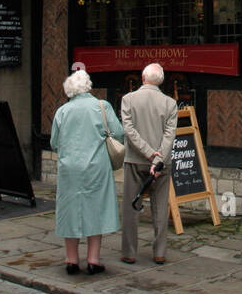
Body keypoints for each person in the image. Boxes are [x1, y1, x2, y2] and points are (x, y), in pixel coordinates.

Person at [51, 68, 123, 275]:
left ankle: (71, 259)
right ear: (88, 86)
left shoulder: (62, 111)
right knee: (96, 210)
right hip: (96, 167)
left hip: (69, 169)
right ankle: (93, 260)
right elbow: (118, 132)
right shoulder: (102, 106)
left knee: (69, 210)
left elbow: (54, 142)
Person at [120, 63, 178, 265]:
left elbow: (129, 130)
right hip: (161, 164)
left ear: (143, 78)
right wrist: (158, 158)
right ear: (160, 81)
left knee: (131, 206)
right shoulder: (170, 103)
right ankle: (159, 252)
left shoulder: (128, 99)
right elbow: (170, 136)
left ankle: (129, 252)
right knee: (160, 207)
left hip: (135, 160)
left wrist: (146, 152)